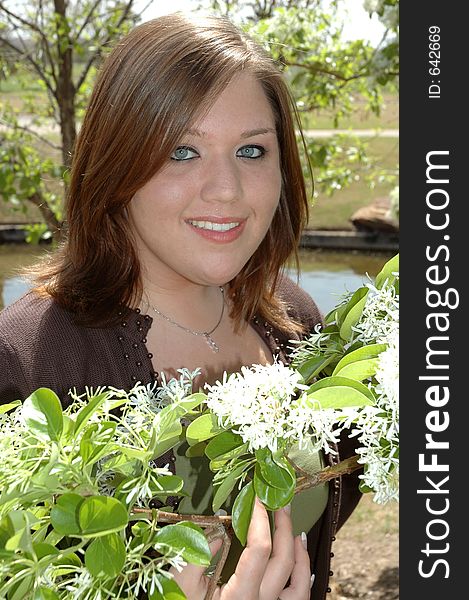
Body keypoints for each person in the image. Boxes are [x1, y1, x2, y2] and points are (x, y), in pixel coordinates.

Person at [0, 11, 362, 599]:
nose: (226, 190)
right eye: (181, 152)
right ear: (117, 163)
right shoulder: (26, 367)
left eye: (251, 151)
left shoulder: (298, 326)